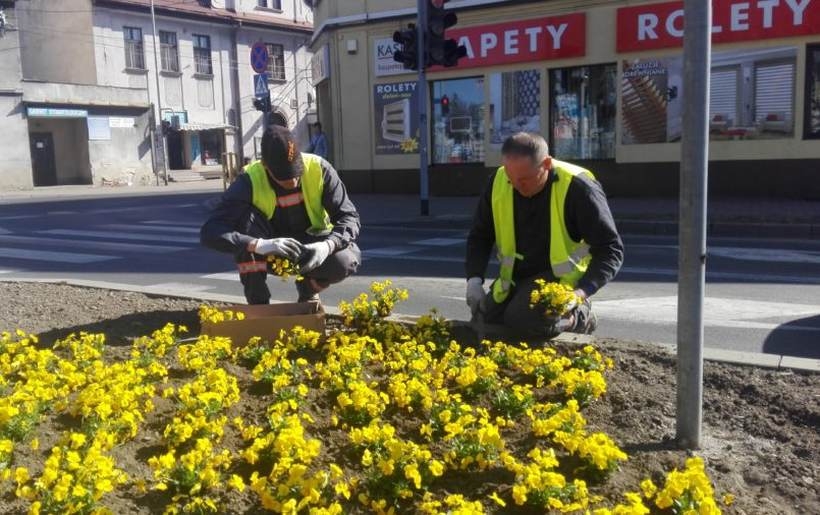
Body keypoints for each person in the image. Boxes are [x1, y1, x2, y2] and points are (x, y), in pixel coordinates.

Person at [464, 132, 623, 338]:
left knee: (523, 320)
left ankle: (579, 317)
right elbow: (480, 235)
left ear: (546, 164)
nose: (518, 187)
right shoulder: (499, 181)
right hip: (515, 278)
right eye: (512, 180)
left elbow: (611, 249)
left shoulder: (578, 187)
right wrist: (474, 280)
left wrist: (580, 293)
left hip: (561, 278)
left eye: (525, 180)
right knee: (485, 321)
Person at [201, 125, 360, 304]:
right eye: (283, 176)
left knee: (344, 260)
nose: (292, 181)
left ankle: (309, 290)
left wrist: (328, 246)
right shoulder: (249, 180)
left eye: (296, 173)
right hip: (272, 251)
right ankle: (260, 306)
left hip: (313, 248)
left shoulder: (320, 169)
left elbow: (349, 217)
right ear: (265, 166)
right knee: (243, 231)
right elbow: (211, 231)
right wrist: (257, 244)